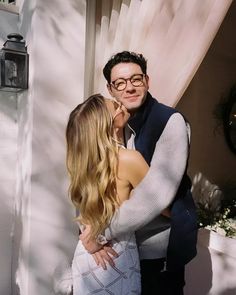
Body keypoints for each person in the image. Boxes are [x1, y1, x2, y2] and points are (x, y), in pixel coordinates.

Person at [80, 51, 198, 295]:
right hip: (118, 249)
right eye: (120, 83)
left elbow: (155, 196)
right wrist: (87, 228)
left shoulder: (169, 121)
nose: (130, 88)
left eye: (136, 79)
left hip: (155, 255)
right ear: (110, 89)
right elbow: (86, 177)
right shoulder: (113, 122)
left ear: (147, 81)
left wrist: (100, 233)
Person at [65, 94, 150, 294]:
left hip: (88, 255)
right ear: (109, 123)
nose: (121, 104)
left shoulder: (83, 164)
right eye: (115, 105)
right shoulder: (129, 159)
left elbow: (83, 212)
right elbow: (164, 206)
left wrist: (91, 240)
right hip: (114, 255)